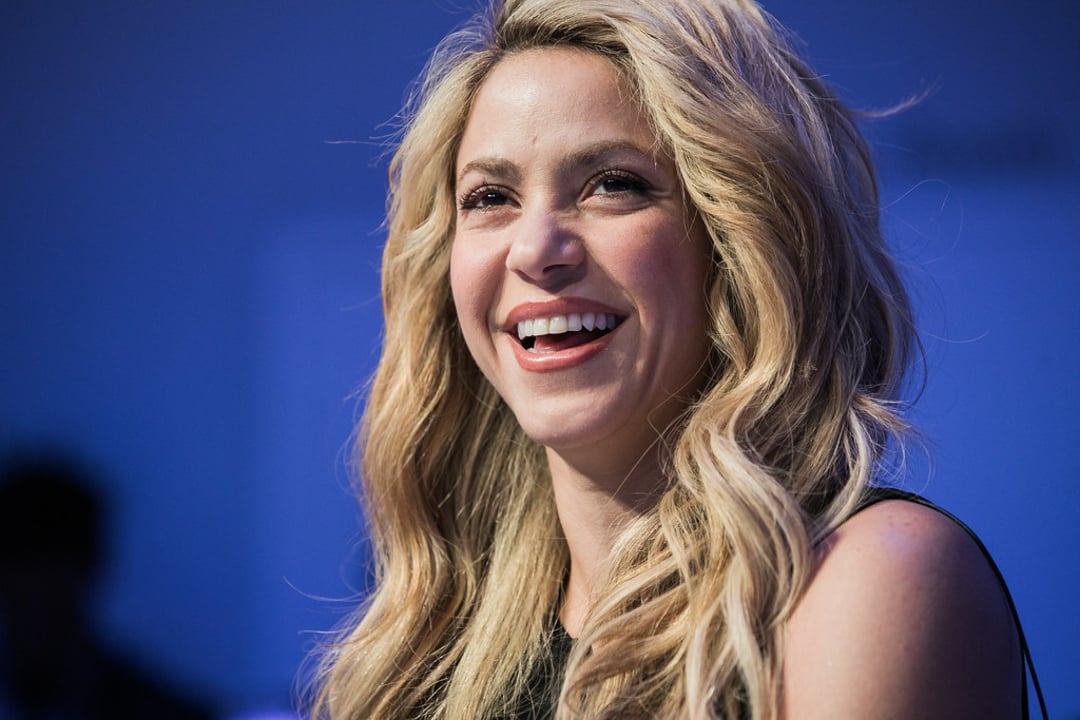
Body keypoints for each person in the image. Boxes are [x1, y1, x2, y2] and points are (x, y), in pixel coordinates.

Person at [309, 0, 1045, 717]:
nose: (535, 250)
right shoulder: (424, 652)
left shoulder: (866, 582)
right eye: (490, 197)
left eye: (614, 185)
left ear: (741, 240)